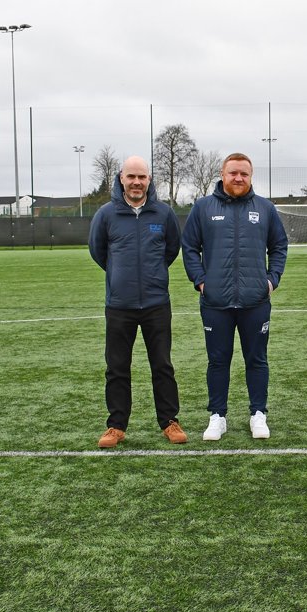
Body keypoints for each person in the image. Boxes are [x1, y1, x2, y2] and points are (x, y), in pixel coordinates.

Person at [182, 153, 289, 441]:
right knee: (218, 361)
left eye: (244, 173)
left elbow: (279, 246)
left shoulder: (265, 209)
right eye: (233, 173)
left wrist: (271, 280)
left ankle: (258, 414)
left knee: (257, 360)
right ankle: (217, 416)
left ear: (250, 176)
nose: (238, 178)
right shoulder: (203, 208)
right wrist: (201, 281)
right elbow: (189, 247)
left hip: (255, 302)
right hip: (215, 303)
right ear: (223, 174)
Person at [88, 156, 186, 447]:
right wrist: (121, 274)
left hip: (157, 303)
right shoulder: (106, 215)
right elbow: (98, 251)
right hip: (119, 304)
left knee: (162, 365)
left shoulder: (164, 214)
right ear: (121, 179)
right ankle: (116, 426)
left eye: (142, 177)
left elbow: (171, 250)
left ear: (149, 180)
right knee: (117, 367)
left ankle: (169, 421)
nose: (136, 182)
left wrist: (152, 275)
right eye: (131, 177)